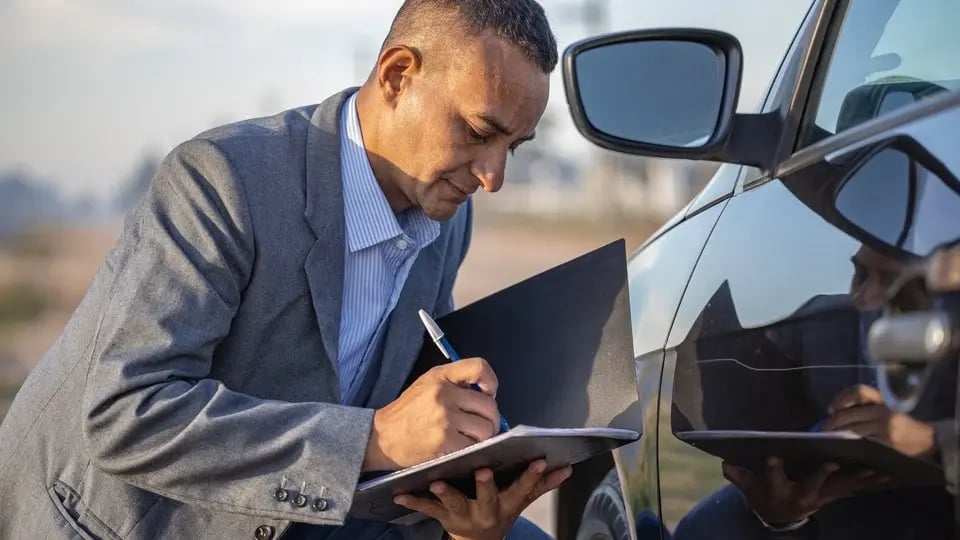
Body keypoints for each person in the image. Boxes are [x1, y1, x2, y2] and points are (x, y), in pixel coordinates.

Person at [0, 2, 571, 539]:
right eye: (477, 133)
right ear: (398, 76)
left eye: (513, 147)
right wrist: (372, 439)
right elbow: (126, 413)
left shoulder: (448, 218)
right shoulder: (222, 181)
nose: (493, 177)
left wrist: (465, 517)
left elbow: (408, 429)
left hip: (304, 510)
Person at [674, 244, 956, 539]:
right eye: (860, 275)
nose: (864, 297)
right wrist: (782, 518)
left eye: (889, 280)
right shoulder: (819, 326)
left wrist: (936, 444)